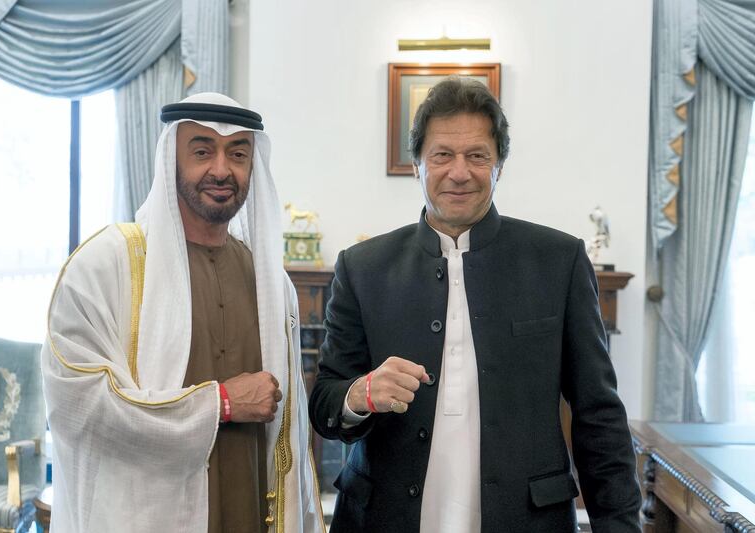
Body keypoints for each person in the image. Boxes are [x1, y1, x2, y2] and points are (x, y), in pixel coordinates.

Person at [308, 78, 641, 532]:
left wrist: (619, 524)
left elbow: (597, 413)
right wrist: (359, 394)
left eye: (477, 156)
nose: (459, 172)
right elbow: (325, 400)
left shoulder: (558, 261)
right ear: (417, 165)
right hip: (383, 518)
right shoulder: (363, 267)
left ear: (499, 165)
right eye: (442, 155)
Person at [42, 93, 324, 533]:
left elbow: (290, 435)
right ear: (170, 158)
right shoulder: (107, 265)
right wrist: (222, 403)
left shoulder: (271, 283)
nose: (221, 169)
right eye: (201, 151)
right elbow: (79, 405)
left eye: (238, 154)